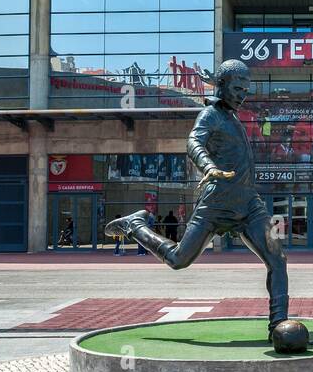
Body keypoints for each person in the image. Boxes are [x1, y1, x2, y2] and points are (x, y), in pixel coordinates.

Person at [105, 60, 289, 339]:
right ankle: (135, 226)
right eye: (238, 88)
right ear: (222, 85)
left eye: (246, 90)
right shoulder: (211, 115)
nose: (242, 95)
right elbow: (193, 142)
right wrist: (208, 167)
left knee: (277, 258)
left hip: (249, 204)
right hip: (216, 203)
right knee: (179, 259)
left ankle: (278, 325)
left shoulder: (233, 118)